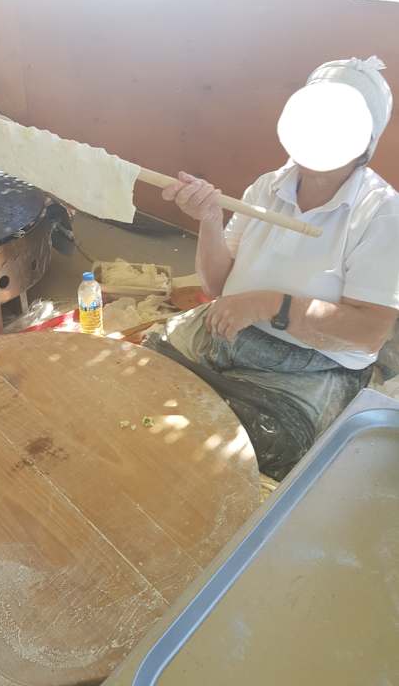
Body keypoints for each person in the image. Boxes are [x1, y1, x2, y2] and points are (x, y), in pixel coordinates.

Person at [146, 56, 399, 481]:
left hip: (313, 364)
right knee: (147, 376)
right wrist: (209, 218)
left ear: (365, 140)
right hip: (229, 332)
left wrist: (271, 305)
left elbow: (369, 331)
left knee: (251, 447)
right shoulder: (268, 186)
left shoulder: (381, 213)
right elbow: (218, 285)